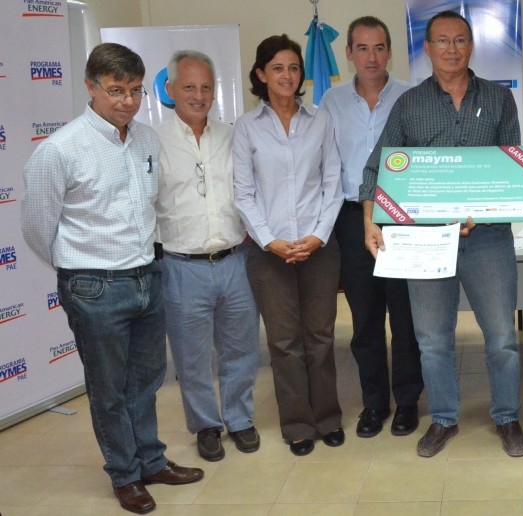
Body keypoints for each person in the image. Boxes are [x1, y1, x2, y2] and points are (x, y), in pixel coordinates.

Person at [21, 42, 203, 514]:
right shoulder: (60, 149)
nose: (127, 100)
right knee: (109, 390)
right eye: (116, 90)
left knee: (146, 381)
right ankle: (125, 475)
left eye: (136, 90)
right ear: (91, 87)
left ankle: (151, 461)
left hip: (146, 277)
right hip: (94, 287)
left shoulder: (145, 140)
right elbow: (37, 227)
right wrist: (78, 268)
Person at [358, 10, 523, 458]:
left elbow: (512, 170)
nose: (451, 49)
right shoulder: (409, 105)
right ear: (428, 48)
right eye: (442, 41)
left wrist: (482, 210)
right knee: (432, 339)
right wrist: (370, 220)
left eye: (460, 40)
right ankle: (444, 419)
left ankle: (507, 417)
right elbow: (377, 168)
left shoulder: (499, 99)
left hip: (487, 238)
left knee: (502, 338)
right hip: (426, 240)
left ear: (471, 46)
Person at [233, 34, 344, 457]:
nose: (287, 75)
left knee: (320, 337)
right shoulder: (246, 127)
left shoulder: (320, 120)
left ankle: (328, 418)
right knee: (283, 343)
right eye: (277, 68)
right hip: (269, 253)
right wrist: (271, 241)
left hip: (319, 247)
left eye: (294, 68)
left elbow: (333, 183)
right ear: (261, 74)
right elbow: (243, 193)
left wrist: (317, 236)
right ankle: (298, 425)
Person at [155, 50, 261, 462]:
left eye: (205, 87)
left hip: (235, 260)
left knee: (241, 350)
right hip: (182, 267)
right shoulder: (154, 142)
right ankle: (206, 426)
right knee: (192, 357)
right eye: (189, 87)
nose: (198, 96)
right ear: (170, 89)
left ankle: (239, 418)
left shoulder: (233, 136)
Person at [320, 16, 422, 439]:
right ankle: (375, 403)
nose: (371, 57)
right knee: (364, 319)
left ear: (390, 52)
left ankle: (408, 402)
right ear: (348, 53)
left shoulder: (412, 97)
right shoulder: (331, 101)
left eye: (379, 47)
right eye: (362, 48)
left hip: (402, 219)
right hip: (350, 218)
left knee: (405, 317)